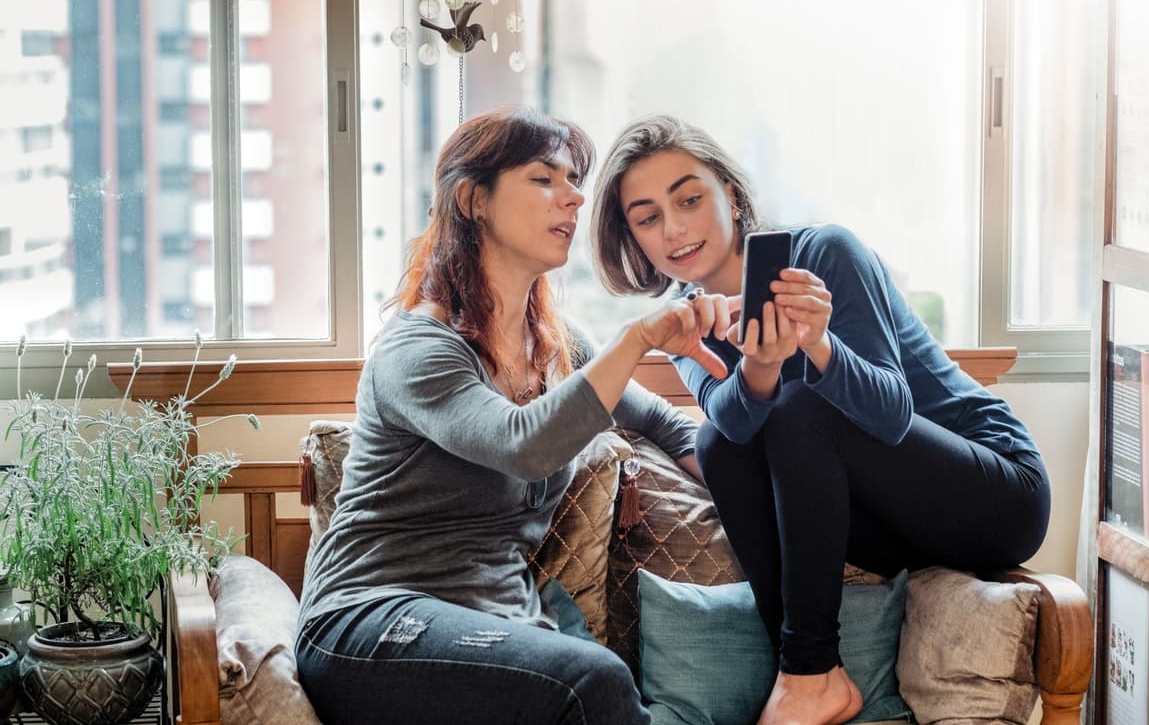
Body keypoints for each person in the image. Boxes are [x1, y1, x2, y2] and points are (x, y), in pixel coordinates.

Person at [590, 115, 1051, 725]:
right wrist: (757, 365)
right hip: (891, 530)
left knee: (802, 407)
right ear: (635, 238)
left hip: (992, 490)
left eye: (690, 199)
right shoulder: (687, 320)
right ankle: (815, 671)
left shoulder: (824, 253)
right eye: (648, 217)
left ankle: (806, 677)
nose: (674, 228)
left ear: (728, 192)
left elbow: (890, 413)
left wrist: (820, 345)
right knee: (722, 439)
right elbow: (729, 430)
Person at [296, 107, 725, 725]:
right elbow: (525, 445)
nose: (575, 196)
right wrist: (634, 342)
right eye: (544, 178)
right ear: (473, 200)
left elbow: (669, 425)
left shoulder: (554, 342)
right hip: (369, 622)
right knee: (594, 680)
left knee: (594, 679)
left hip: (498, 626)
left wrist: (759, 496)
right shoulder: (418, 348)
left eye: (574, 178)